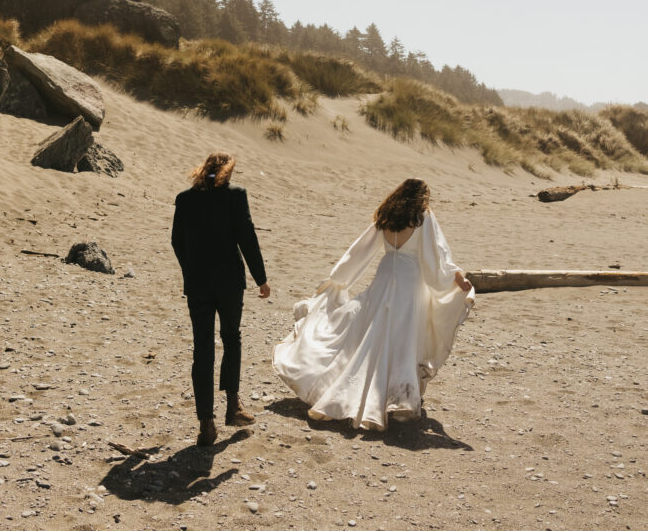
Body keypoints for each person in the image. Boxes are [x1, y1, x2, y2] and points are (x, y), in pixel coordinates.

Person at [273, 177, 474, 430]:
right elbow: (437, 256)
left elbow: (360, 250)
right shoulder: (422, 216)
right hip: (410, 280)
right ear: (421, 197)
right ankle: (398, 397)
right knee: (402, 337)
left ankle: (375, 391)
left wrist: (338, 279)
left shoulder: (387, 215)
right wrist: (457, 278)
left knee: (374, 331)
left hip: (385, 273)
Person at [172, 151, 270, 446]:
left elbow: (177, 241)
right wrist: (261, 278)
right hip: (229, 283)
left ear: (204, 169)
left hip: (198, 284)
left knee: (202, 349)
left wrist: (190, 270)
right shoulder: (235, 196)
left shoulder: (185, 199)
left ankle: (206, 424)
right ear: (228, 171)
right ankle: (233, 406)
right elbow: (247, 237)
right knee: (231, 338)